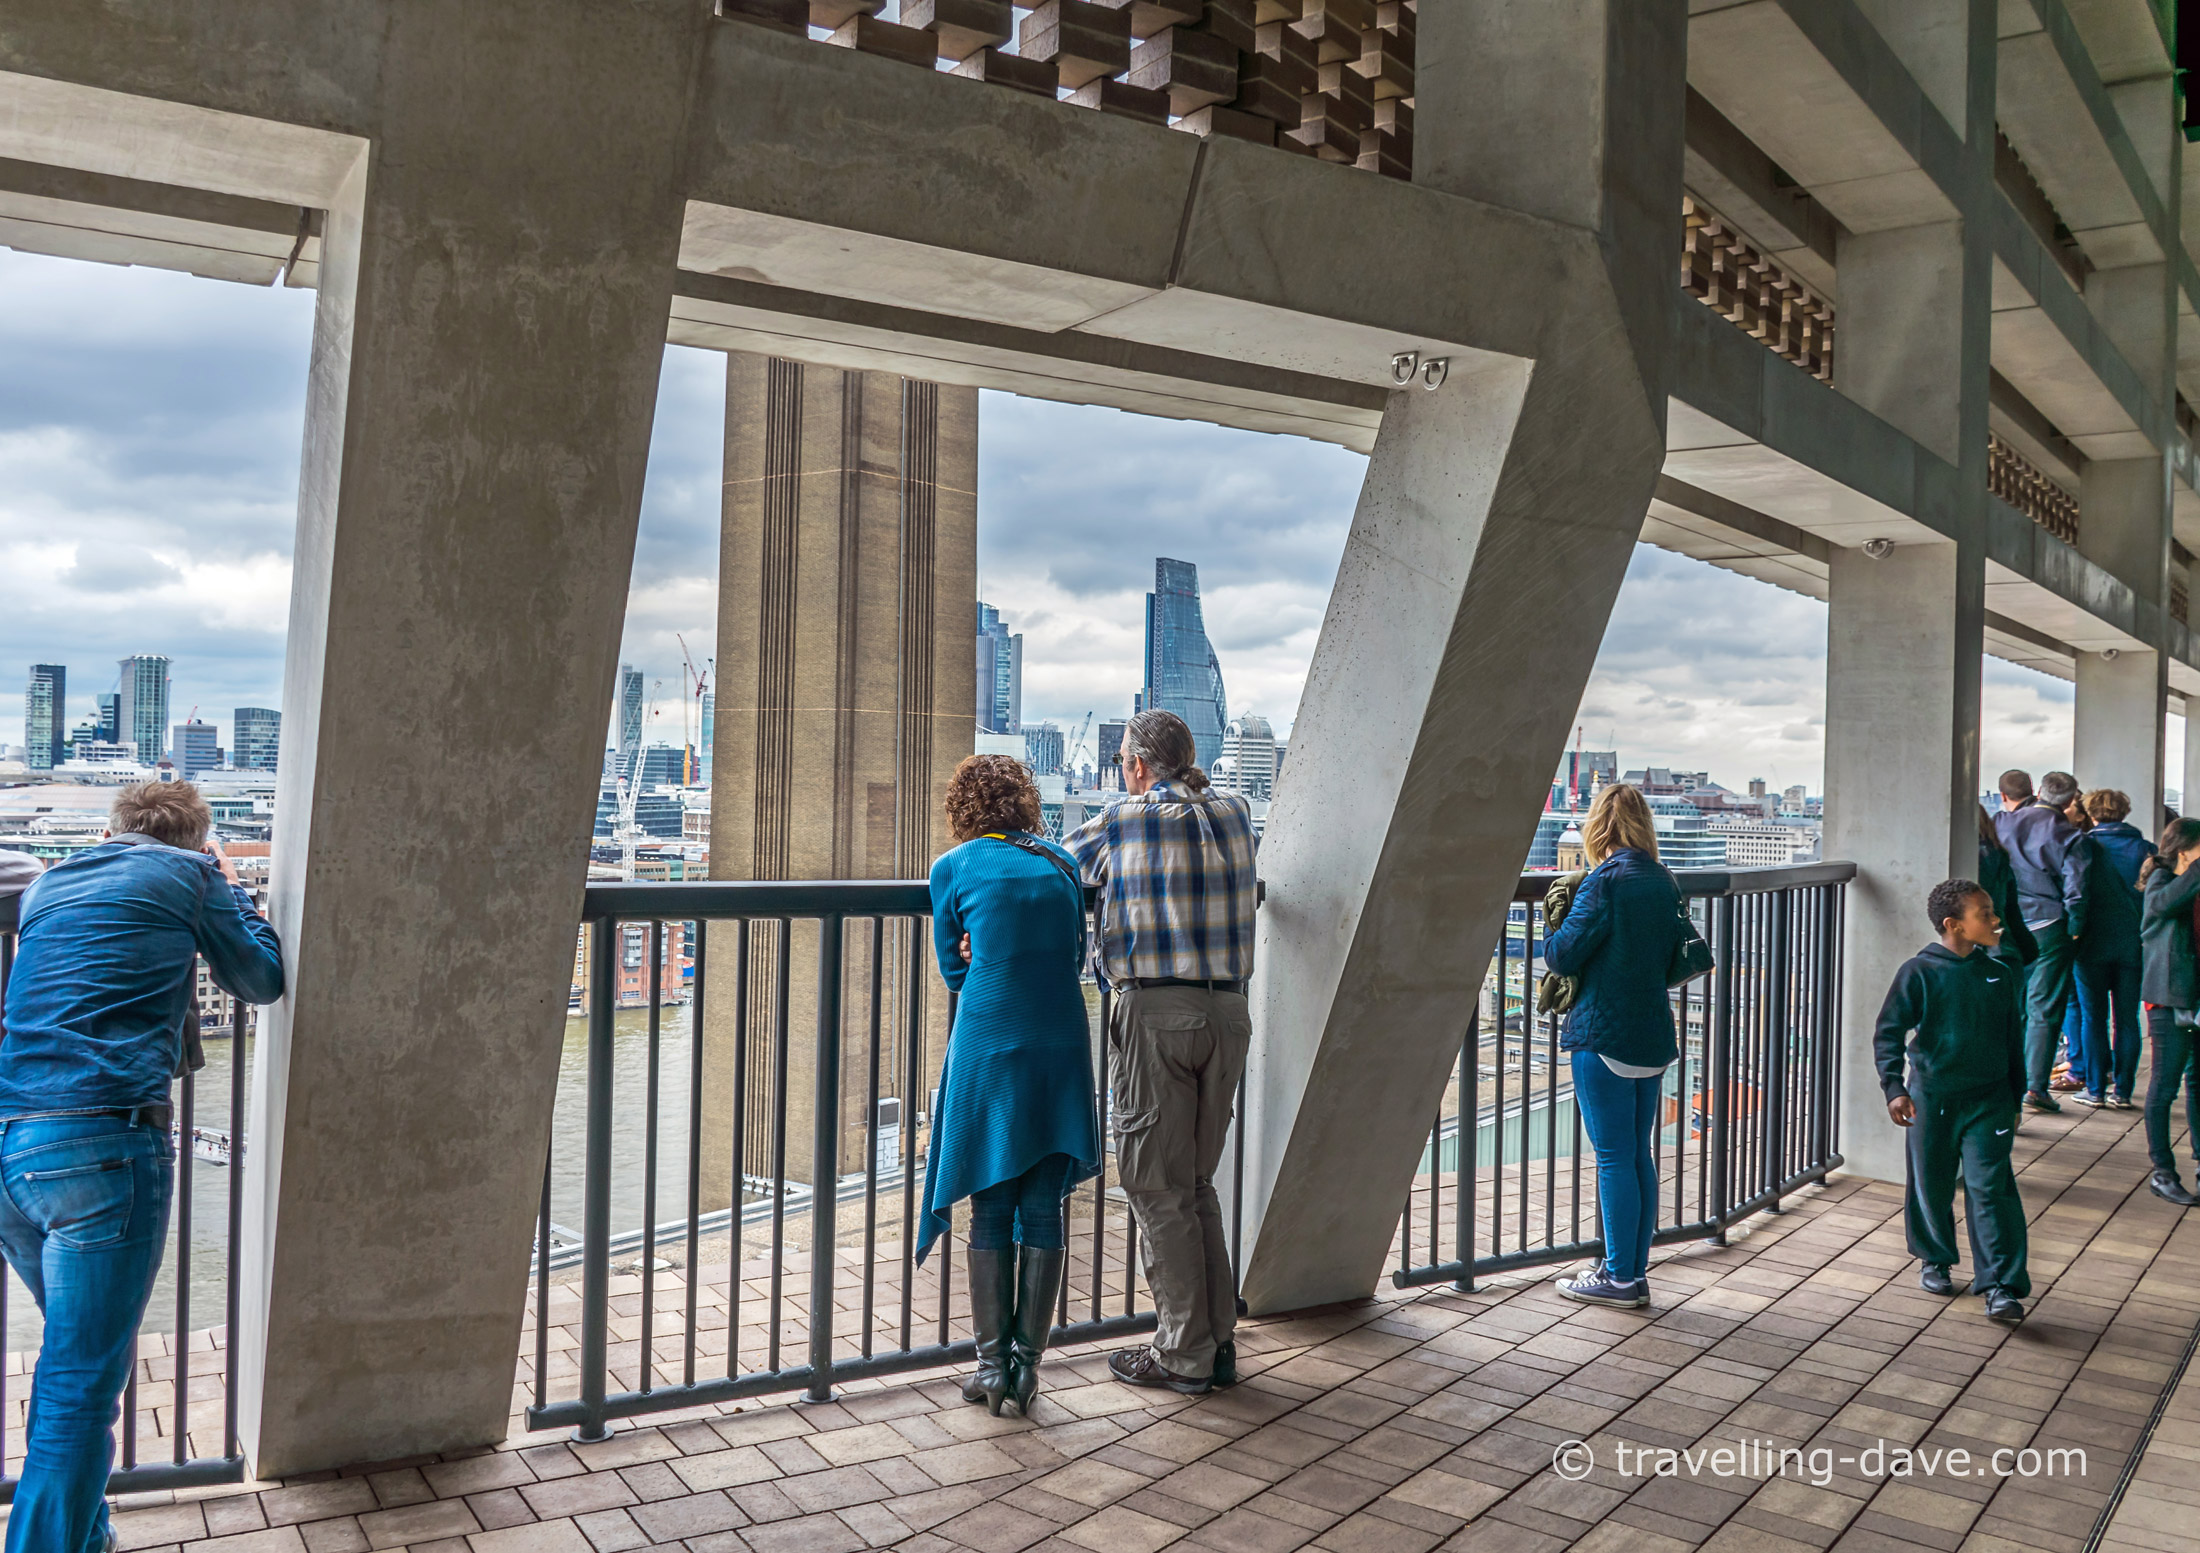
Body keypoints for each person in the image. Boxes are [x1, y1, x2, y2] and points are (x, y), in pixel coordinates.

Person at [0, 782, 283, 1553]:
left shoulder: (50, 884)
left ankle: (88, 1535)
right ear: (198, 841)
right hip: (103, 1145)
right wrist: (224, 885)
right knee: (80, 1382)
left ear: (110, 829)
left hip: (10, 1142)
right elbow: (260, 979)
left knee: (77, 1354)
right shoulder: (192, 876)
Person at [1064, 710, 1258, 1396]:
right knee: (1198, 1183)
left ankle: (1182, 1353)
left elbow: (1057, 866)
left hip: (1158, 1012)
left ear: (1141, 767)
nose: (1122, 772)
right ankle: (1218, 1345)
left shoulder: (1125, 817)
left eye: (1124, 761)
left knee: (1155, 1185)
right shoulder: (1235, 812)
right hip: (1229, 1012)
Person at [915, 755, 1099, 1416]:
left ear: (963, 808)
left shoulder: (952, 868)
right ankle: (1026, 1370)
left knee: (990, 1206)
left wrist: (982, 961)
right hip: (1060, 1039)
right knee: (1044, 1205)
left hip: (990, 1042)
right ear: (1024, 801)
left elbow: (952, 971)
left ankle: (991, 1367)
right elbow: (1072, 956)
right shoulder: (1062, 863)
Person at [1543, 783, 1687, 1309]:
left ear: (1598, 827)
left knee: (1611, 1159)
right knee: (1636, 1156)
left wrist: (1553, 919)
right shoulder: (1662, 879)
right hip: (1651, 1031)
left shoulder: (1604, 882)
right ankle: (1630, 1269)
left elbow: (1562, 956)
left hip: (1603, 1033)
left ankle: (1620, 1280)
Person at [1873, 878, 2029, 1323]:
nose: (1996, 920)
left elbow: (2012, 1041)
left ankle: (2001, 1286)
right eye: (1985, 914)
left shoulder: (2000, 973)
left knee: (1991, 1189)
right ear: (1953, 925)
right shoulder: (1918, 972)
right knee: (1931, 1182)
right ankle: (1934, 1258)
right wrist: (1894, 1087)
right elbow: (1888, 1033)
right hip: (1932, 1098)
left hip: (1990, 1100)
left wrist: (2015, 1098)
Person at [1994, 769, 2087, 1113]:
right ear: (2071, 801)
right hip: (2049, 925)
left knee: (2013, 1006)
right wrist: (2075, 926)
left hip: (2007, 924)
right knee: (2044, 1009)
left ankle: (2008, 1085)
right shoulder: (2070, 835)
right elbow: (2075, 887)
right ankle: (2034, 1087)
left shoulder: (2002, 823)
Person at [2069, 789, 2151, 1110]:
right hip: (2134, 945)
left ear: (2091, 813)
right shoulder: (2146, 849)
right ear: (2125, 812)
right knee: (2127, 1020)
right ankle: (2124, 1091)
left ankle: (2095, 1089)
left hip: (2091, 946)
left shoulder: (2084, 847)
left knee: (2093, 1018)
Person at [2139, 819, 2200, 1206]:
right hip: (2167, 998)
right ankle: (2162, 1171)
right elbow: (2163, 906)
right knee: (2165, 1084)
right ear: (2184, 852)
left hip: (2194, 997)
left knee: (2198, 1083)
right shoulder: (2161, 883)